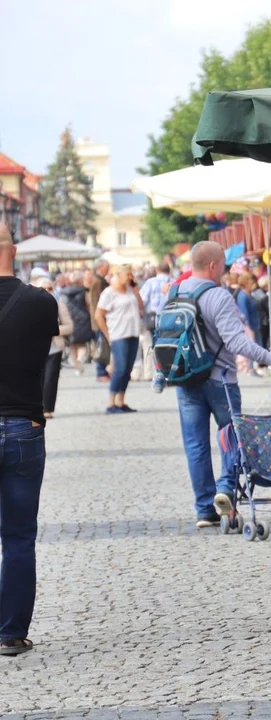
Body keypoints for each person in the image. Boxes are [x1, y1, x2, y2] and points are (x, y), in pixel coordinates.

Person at [174, 242, 271, 529]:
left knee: (195, 445)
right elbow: (235, 342)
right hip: (221, 381)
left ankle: (205, 510)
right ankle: (225, 489)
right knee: (232, 437)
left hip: (186, 379)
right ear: (213, 266)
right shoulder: (218, 295)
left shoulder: (175, 291)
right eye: (223, 265)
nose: (225, 270)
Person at [0, 223, 58, 656]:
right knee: (18, 536)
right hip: (23, 425)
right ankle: (11, 634)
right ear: (13, 249)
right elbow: (42, 357)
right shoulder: (41, 303)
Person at [95, 266, 145, 414]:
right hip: (118, 334)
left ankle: (121, 401)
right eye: (127, 274)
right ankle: (111, 403)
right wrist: (107, 334)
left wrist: (136, 291)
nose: (130, 277)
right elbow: (99, 315)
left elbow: (141, 306)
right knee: (120, 368)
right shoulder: (109, 293)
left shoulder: (131, 290)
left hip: (133, 333)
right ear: (118, 275)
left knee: (128, 369)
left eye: (131, 274)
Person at [34, 278, 73, 419]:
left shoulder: (59, 305)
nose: (47, 291)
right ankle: (36, 407)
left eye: (50, 288)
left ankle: (48, 408)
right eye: (43, 288)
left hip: (55, 347)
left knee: (51, 378)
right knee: (37, 378)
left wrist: (53, 330)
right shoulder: (29, 306)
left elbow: (69, 326)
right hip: (35, 348)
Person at [137, 262, 171, 382]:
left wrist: (141, 314)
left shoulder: (151, 282)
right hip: (171, 319)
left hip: (152, 318)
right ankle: (167, 371)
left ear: (157, 270)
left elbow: (142, 300)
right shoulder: (175, 281)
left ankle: (150, 373)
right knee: (168, 345)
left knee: (149, 345)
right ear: (169, 270)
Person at [61, 272, 94, 374]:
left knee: (72, 344)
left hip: (68, 319)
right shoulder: (84, 292)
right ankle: (80, 359)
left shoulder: (63, 292)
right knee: (82, 344)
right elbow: (89, 305)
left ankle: (76, 366)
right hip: (83, 319)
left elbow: (62, 306)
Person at [87, 260, 110, 382]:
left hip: (99, 319)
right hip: (100, 320)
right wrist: (101, 318)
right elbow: (98, 302)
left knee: (103, 345)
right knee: (102, 346)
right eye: (107, 267)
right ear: (101, 268)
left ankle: (103, 370)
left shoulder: (98, 280)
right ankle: (101, 372)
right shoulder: (98, 281)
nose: (109, 269)